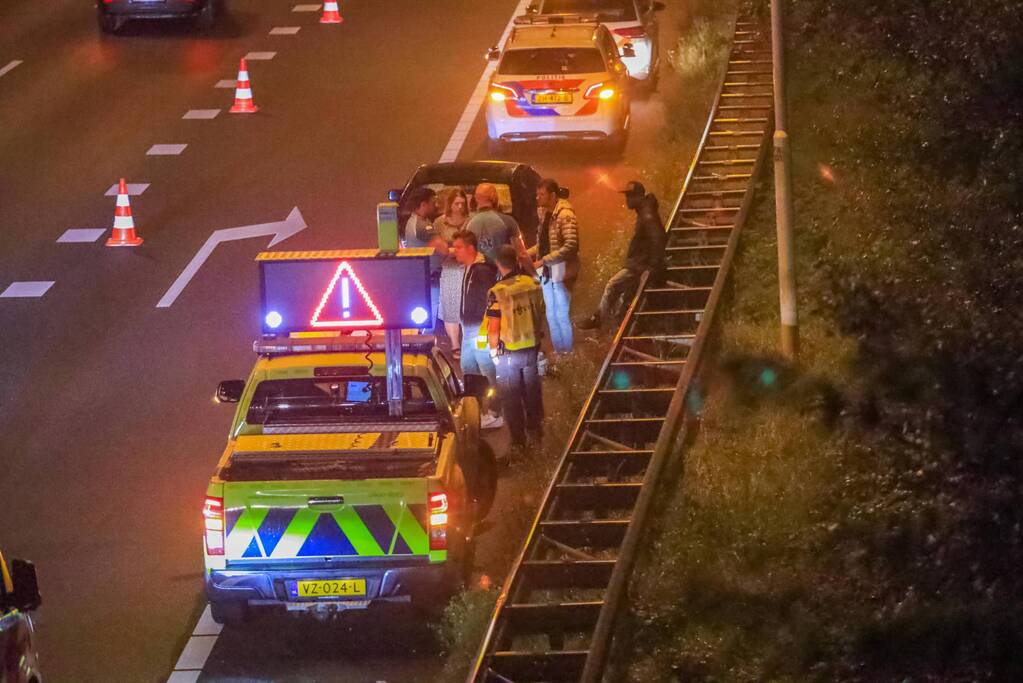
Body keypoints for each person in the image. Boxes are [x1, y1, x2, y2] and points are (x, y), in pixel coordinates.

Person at [578, 181, 666, 329]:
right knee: (625, 300)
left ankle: (598, 319)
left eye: (631, 196)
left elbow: (659, 238)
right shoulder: (645, 211)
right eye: (627, 196)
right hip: (639, 264)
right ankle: (615, 324)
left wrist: (651, 267)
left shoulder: (647, 214)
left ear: (639, 196)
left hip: (640, 266)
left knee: (612, 285)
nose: (628, 200)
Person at [485, 244, 548, 451]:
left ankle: (518, 444)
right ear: (516, 261)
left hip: (508, 353)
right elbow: (541, 313)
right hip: (531, 347)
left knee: (511, 398)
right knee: (532, 392)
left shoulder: (498, 292)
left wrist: (493, 351)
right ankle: (536, 434)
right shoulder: (532, 284)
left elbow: (493, 328)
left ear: (498, 263)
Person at [452, 231, 503, 429]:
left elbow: (489, 302)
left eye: (458, 247)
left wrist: (488, 329)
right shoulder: (470, 267)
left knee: (488, 373)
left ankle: (495, 412)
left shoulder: (482, 271)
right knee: (469, 371)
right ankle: (476, 412)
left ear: (471, 248)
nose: (454, 251)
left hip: (479, 331)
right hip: (468, 331)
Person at [529, 178, 579, 353]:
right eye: (537, 194)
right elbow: (544, 243)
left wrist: (543, 260)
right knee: (551, 314)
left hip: (561, 272)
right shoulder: (544, 213)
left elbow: (571, 246)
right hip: (548, 272)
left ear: (552, 195)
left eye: (541, 194)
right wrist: (529, 253)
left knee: (561, 315)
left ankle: (568, 352)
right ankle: (560, 352)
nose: (538, 198)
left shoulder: (565, 215)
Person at [433, 189, 471, 354]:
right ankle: (455, 345)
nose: (460, 206)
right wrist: (452, 251)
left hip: (468, 269)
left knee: (469, 306)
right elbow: (437, 246)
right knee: (451, 307)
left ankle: (470, 343)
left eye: (463, 203)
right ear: (450, 204)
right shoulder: (440, 223)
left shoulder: (471, 220)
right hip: (449, 268)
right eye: (457, 203)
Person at [403, 187, 447, 327]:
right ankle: (427, 344)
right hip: (430, 277)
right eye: (433, 202)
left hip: (421, 276)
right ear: (423, 204)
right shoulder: (422, 226)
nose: (436, 206)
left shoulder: (415, 221)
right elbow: (443, 248)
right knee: (430, 317)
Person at [466, 183, 531, 268]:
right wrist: (534, 275)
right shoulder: (508, 221)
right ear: (494, 197)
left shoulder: (469, 224)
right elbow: (522, 254)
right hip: (503, 276)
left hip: (477, 276)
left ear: (476, 199)